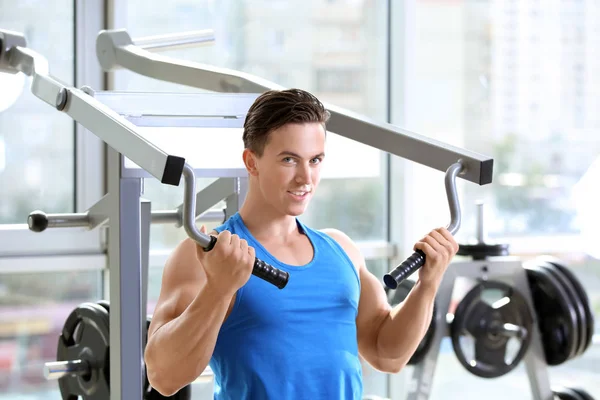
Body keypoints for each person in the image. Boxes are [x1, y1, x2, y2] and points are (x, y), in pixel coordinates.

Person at [144, 89, 458, 399]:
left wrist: (427, 286)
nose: (305, 178)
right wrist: (217, 289)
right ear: (251, 162)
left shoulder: (341, 249)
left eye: (315, 160)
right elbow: (163, 377)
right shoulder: (209, 254)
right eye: (289, 160)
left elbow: (387, 355)